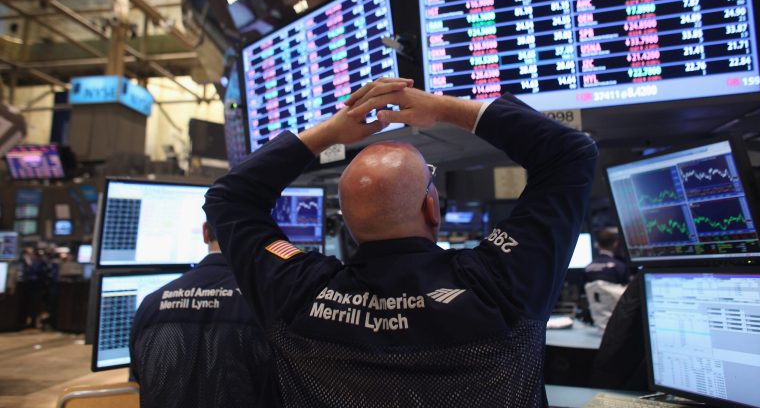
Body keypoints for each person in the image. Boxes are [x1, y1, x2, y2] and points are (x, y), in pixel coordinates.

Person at [204, 78, 598, 406]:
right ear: (432, 207)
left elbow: (228, 198)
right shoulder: (499, 283)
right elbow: (570, 153)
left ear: (348, 225)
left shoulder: (299, 293)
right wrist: (443, 109)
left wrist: (330, 131)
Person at [130, 221, 278, 408]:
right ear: (255, 235)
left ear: (205, 233)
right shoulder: (267, 304)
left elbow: (141, 378)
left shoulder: (150, 304)